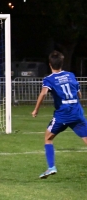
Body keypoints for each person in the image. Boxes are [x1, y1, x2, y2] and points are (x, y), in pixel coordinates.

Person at [31, 50, 87, 179]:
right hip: (77, 112)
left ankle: (51, 167)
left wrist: (36, 110)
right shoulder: (70, 75)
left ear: (50, 64)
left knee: (48, 138)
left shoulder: (49, 79)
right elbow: (79, 95)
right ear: (62, 63)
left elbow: (43, 94)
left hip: (63, 115)